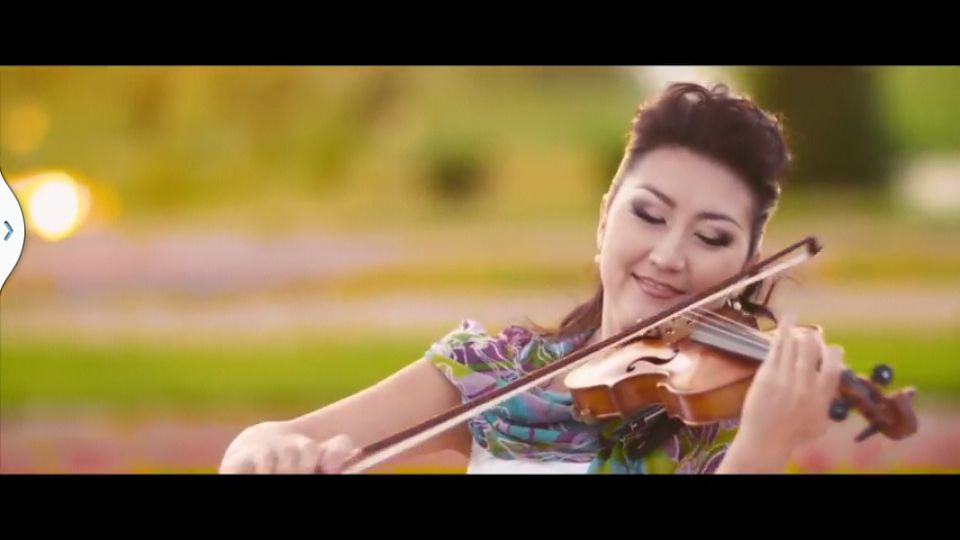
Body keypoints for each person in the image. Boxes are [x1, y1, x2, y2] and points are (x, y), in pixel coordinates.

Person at [218, 81, 846, 474]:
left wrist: (762, 450)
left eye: (711, 238)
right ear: (604, 218)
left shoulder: (736, 420)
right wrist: (267, 455)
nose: (668, 256)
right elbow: (261, 442)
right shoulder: (499, 374)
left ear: (746, 267)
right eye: (649, 215)